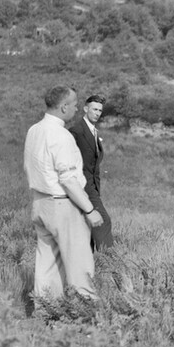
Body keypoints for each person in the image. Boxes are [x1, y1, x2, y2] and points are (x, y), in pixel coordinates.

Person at [23, 86, 103, 301]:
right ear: (64, 106)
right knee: (80, 266)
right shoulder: (61, 135)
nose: (77, 109)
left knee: (47, 266)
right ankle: (86, 318)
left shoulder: (34, 130)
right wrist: (89, 209)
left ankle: (48, 315)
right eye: (75, 104)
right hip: (62, 204)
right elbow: (68, 178)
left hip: (40, 203)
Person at [68, 94, 114, 250]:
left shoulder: (95, 132)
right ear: (85, 109)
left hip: (93, 186)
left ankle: (90, 266)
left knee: (86, 226)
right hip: (82, 186)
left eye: (100, 110)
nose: (97, 113)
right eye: (94, 109)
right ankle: (110, 262)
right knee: (103, 220)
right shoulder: (76, 131)